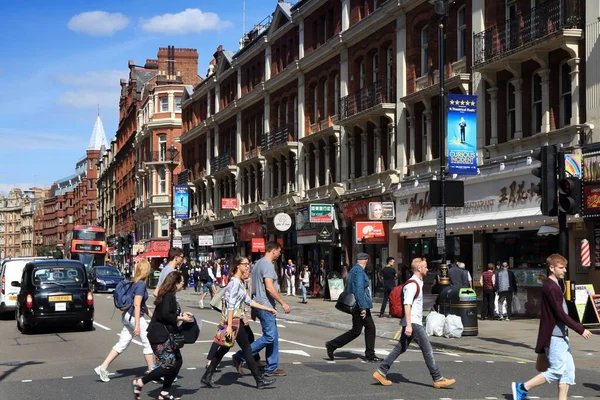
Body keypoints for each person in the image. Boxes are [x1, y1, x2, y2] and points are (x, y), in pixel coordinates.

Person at [511, 254, 593, 400]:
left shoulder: (557, 285)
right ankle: (522, 387)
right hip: (554, 336)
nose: (564, 270)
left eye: (565, 267)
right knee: (556, 370)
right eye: (561, 268)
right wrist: (581, 329)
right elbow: (560, 314)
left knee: (568, 371)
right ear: (551, 268)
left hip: (562, 335)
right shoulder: (550, 287)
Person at [372, 257, 456, 389]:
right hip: (414, 322)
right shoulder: (412, 284)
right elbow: (407, 305)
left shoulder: (418, 282)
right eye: (425, 266)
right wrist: (409, 325)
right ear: (419, 268)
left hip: (412, 321)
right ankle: (437, 378)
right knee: (427, 349)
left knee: (401, 347)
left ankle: (381, 371)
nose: (427, 269)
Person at [202, 256, 277, 389]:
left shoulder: (239, 282)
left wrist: (268, 308)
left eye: (248, 264)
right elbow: (230, 306)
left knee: (224, 348)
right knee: (247, 349)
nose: (248, 266)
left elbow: (249, 301)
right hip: (234, 321)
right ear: (238, 266)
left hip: (236, 320)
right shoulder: (234, 283)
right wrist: (230, 326)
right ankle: (259, 380)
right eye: (245, 264)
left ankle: (207, 376)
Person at [132, 271, 193, 400]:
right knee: (169, 365)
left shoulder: (169, 295)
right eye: (182, 282)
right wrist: (182, 318)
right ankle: (140, 382)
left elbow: (168, 313)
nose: (183, 284)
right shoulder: (169, 295)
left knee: (178, 361)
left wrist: (182, 315)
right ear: (175, 283)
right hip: (160, 335)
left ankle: (164, 393)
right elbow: (165, 316)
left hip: (165, 334)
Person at [233, 242, 291, 377]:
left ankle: (271, 367)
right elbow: (269, 288)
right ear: (274, 251)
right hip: (266, 306)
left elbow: (253, 285)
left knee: (274, 336)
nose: (280, 253)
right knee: (270, 336)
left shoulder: (258, 263)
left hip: (259, 304)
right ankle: (241, 356)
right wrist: (283, 303)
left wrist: (253, 308)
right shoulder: (268, 265)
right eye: (279, 251)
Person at [95, 260, 154, 382]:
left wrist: (151, 315)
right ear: (146, 271)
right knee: (148, 343)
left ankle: (103, 367)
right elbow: (137, 305)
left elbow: (141, 304)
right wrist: (137, 324)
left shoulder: (134, 282)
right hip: (134, 317)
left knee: (122, 343)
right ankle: (152, 373)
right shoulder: (141, 285)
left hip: (127, 316)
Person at [326, 253, 381, 363]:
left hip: (357, 304)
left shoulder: (353, 270)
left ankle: (332, 345)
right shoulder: (359, 271)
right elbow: (359, 290)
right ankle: (370, 355)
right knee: (370, 328)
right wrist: (363, 308)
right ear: (365, 260)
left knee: (356, 330)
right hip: (359, 305)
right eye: (367, 260)